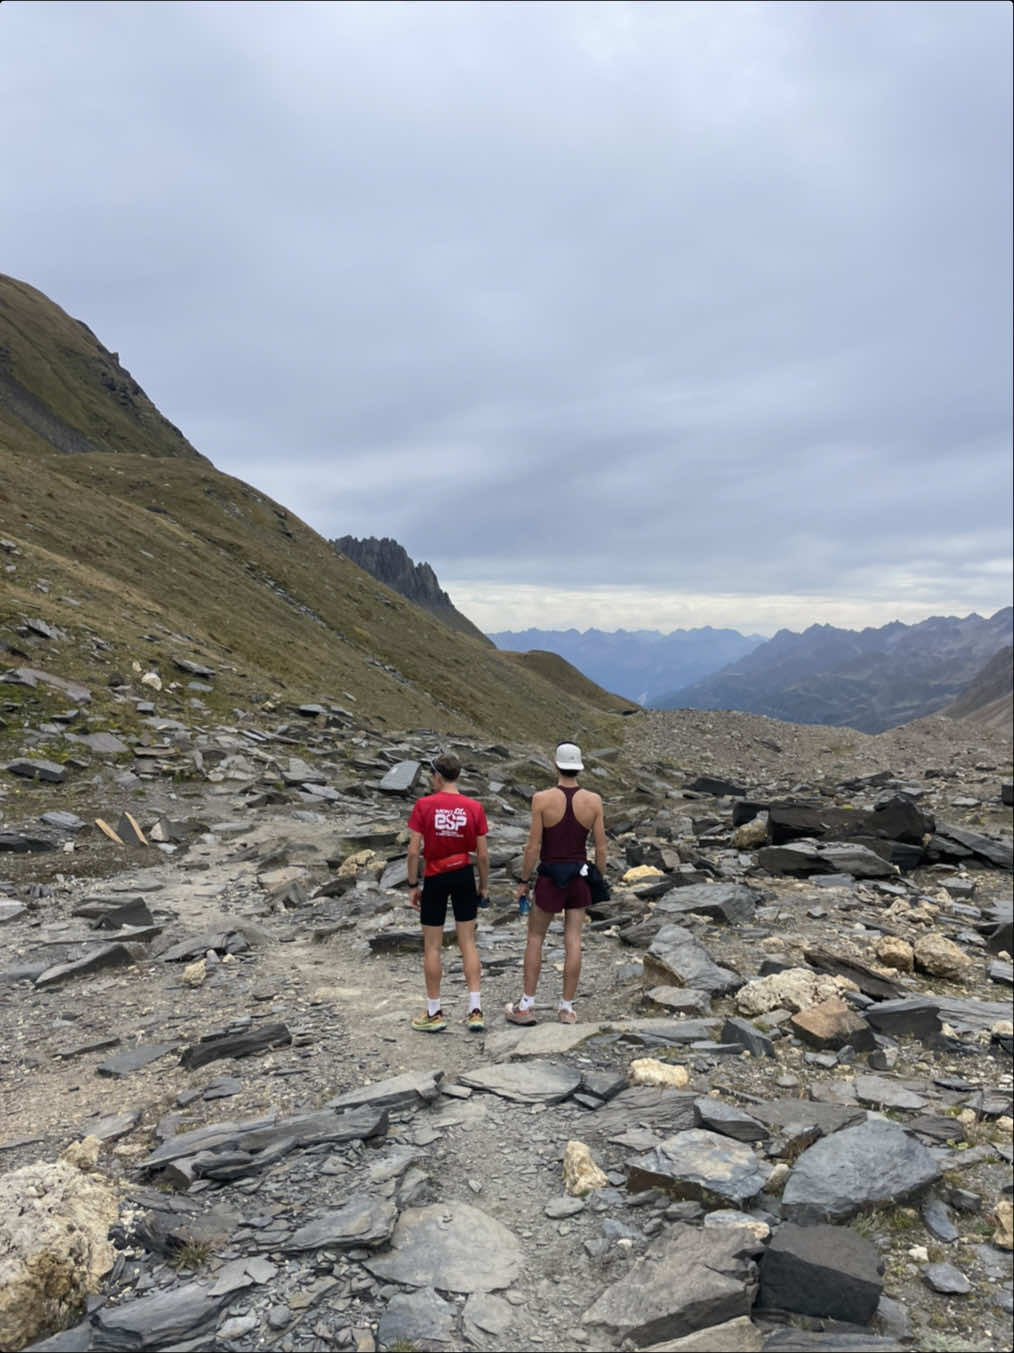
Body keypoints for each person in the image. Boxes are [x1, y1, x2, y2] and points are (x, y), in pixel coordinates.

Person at [505, 741, 606, 1026]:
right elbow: (601, 848)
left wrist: (524, 881)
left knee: (535, 937)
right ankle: (567, 1008)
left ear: (555, 764)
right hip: (579, 877)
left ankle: (526, 1005)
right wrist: (598, 878)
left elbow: (532, 847)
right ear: (579, 767)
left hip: (550, 877)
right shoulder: (594, 801)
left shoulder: (542, 799)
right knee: (573, 939)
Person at [406, 752, 489, 1032]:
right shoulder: (474, 807)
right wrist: (484, 885)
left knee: (432, 945)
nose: (431, 780)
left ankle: (434, 1012)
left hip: (435, 876)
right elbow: (483, 854)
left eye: (432, 776)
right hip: (464, 873)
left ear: (438, 776)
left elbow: (413, 851)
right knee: (468, 942)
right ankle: (475, 1009)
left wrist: (412, 885)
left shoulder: (424, 805)